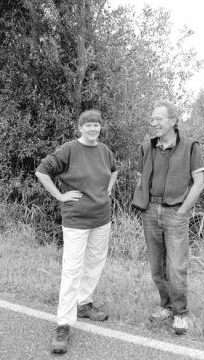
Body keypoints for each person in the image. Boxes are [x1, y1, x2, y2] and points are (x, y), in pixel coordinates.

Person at [36, 109, 118, 354]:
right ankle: (63, 323)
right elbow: (42, 171)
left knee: (94, 263)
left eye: (97, 125)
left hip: (102, 219)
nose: (93, 129)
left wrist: (109, 190)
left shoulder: (104, 151)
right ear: (80, 127)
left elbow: (114, 170)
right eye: (88, 125)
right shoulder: (69, 149)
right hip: (76, 220)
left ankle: (84, 304)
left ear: (101, 128)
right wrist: (60, 195)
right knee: (72, 270)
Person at [132, 100, 204, 335]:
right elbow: (141, 178)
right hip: (150, 212)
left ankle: (180, 314)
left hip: (176, 213)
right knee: (156, 267)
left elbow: (199, 183)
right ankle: (166, 306)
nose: (154, 123)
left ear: (172, 121)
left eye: (158, 119)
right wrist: (143, 204)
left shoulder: (191, 146)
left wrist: (182, 211)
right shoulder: (146, 148)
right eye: (152, 119)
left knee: (177, 267)